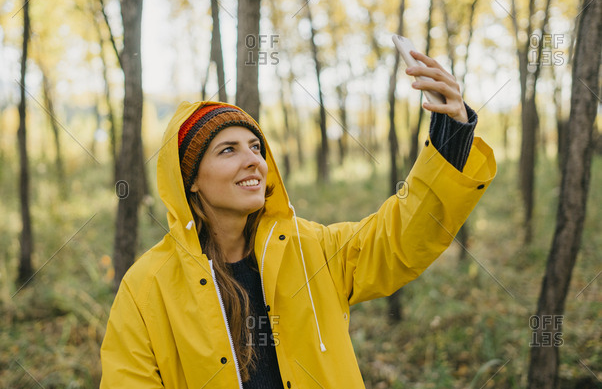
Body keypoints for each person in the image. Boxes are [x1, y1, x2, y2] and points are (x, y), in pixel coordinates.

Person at [100, 51, 496, 388]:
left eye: (255, 146)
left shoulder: (314, 249)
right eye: (227, 150)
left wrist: (451, 134)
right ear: (191, 182)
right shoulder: (146, 287)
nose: (253, 159)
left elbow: (401, 238)